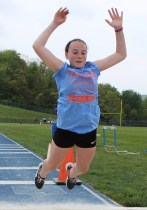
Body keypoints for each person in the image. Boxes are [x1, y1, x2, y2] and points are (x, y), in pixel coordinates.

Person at [33, 7, 127, 190]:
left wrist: (118, 30)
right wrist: (55, 23)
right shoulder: (62, 70)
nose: (79, 55)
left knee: (83, 167)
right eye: (75, 52)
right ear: (66, 55)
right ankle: (41, 172)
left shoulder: (93, 69)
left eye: (83, 52)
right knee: (52, 165)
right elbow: (38, 46)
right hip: (66, 128)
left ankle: (71, 173)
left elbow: (120, 55)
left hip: (88, 128)